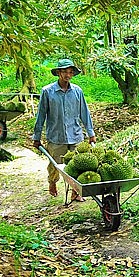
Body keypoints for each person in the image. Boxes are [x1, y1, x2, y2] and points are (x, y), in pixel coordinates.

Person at [32, 59, 96, 201]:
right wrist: (36, 137)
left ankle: (76, 191)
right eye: (65, 72)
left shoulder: (77, 91)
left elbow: (84, 113)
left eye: (70, 72)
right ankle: (52, 182)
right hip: (56, 136)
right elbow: (41, 115)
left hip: (76, 135)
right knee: (55, 164)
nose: (68, 75)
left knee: (77, 165)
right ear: (59, 73)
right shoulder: (48, 92)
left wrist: (91, 134)